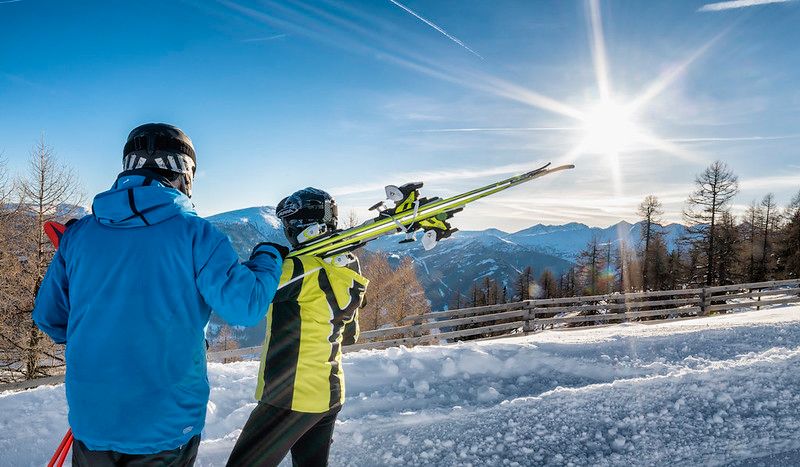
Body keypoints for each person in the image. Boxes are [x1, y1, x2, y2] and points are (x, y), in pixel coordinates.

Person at [33, 123, 286, 466]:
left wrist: (101, 339)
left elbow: (50, 318)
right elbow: (247, 306)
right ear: (185, 173)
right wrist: (268, 257)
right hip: (165, 423)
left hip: (93, 420)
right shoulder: (196, 234)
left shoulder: (79, 235)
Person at [227, 188, 369, 467]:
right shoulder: (350, 268)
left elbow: (243, 293)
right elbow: (351, 335)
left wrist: (265, 252)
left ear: (297, 226)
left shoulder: (299, 270)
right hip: (330, 393)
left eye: (287, 226)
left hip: (289, 396)